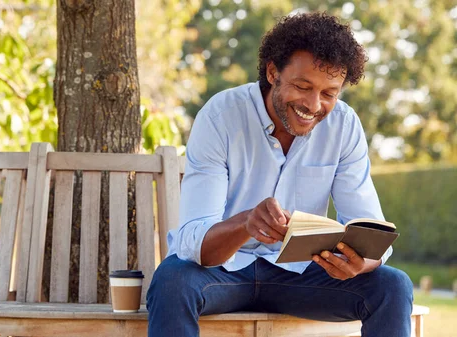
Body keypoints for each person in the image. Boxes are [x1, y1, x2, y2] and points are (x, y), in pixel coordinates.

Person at [146, 12, 413, 337]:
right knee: (173, 278)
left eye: (329, 93)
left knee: (393, 285)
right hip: (222, 273)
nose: (314, 105)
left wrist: (360, 263)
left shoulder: (343, 125)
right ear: (272, 72)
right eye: (303, 86)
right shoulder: (221, 116)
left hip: (304, 276)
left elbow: (371, 233)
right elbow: (193, 243)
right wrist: (246, 223)